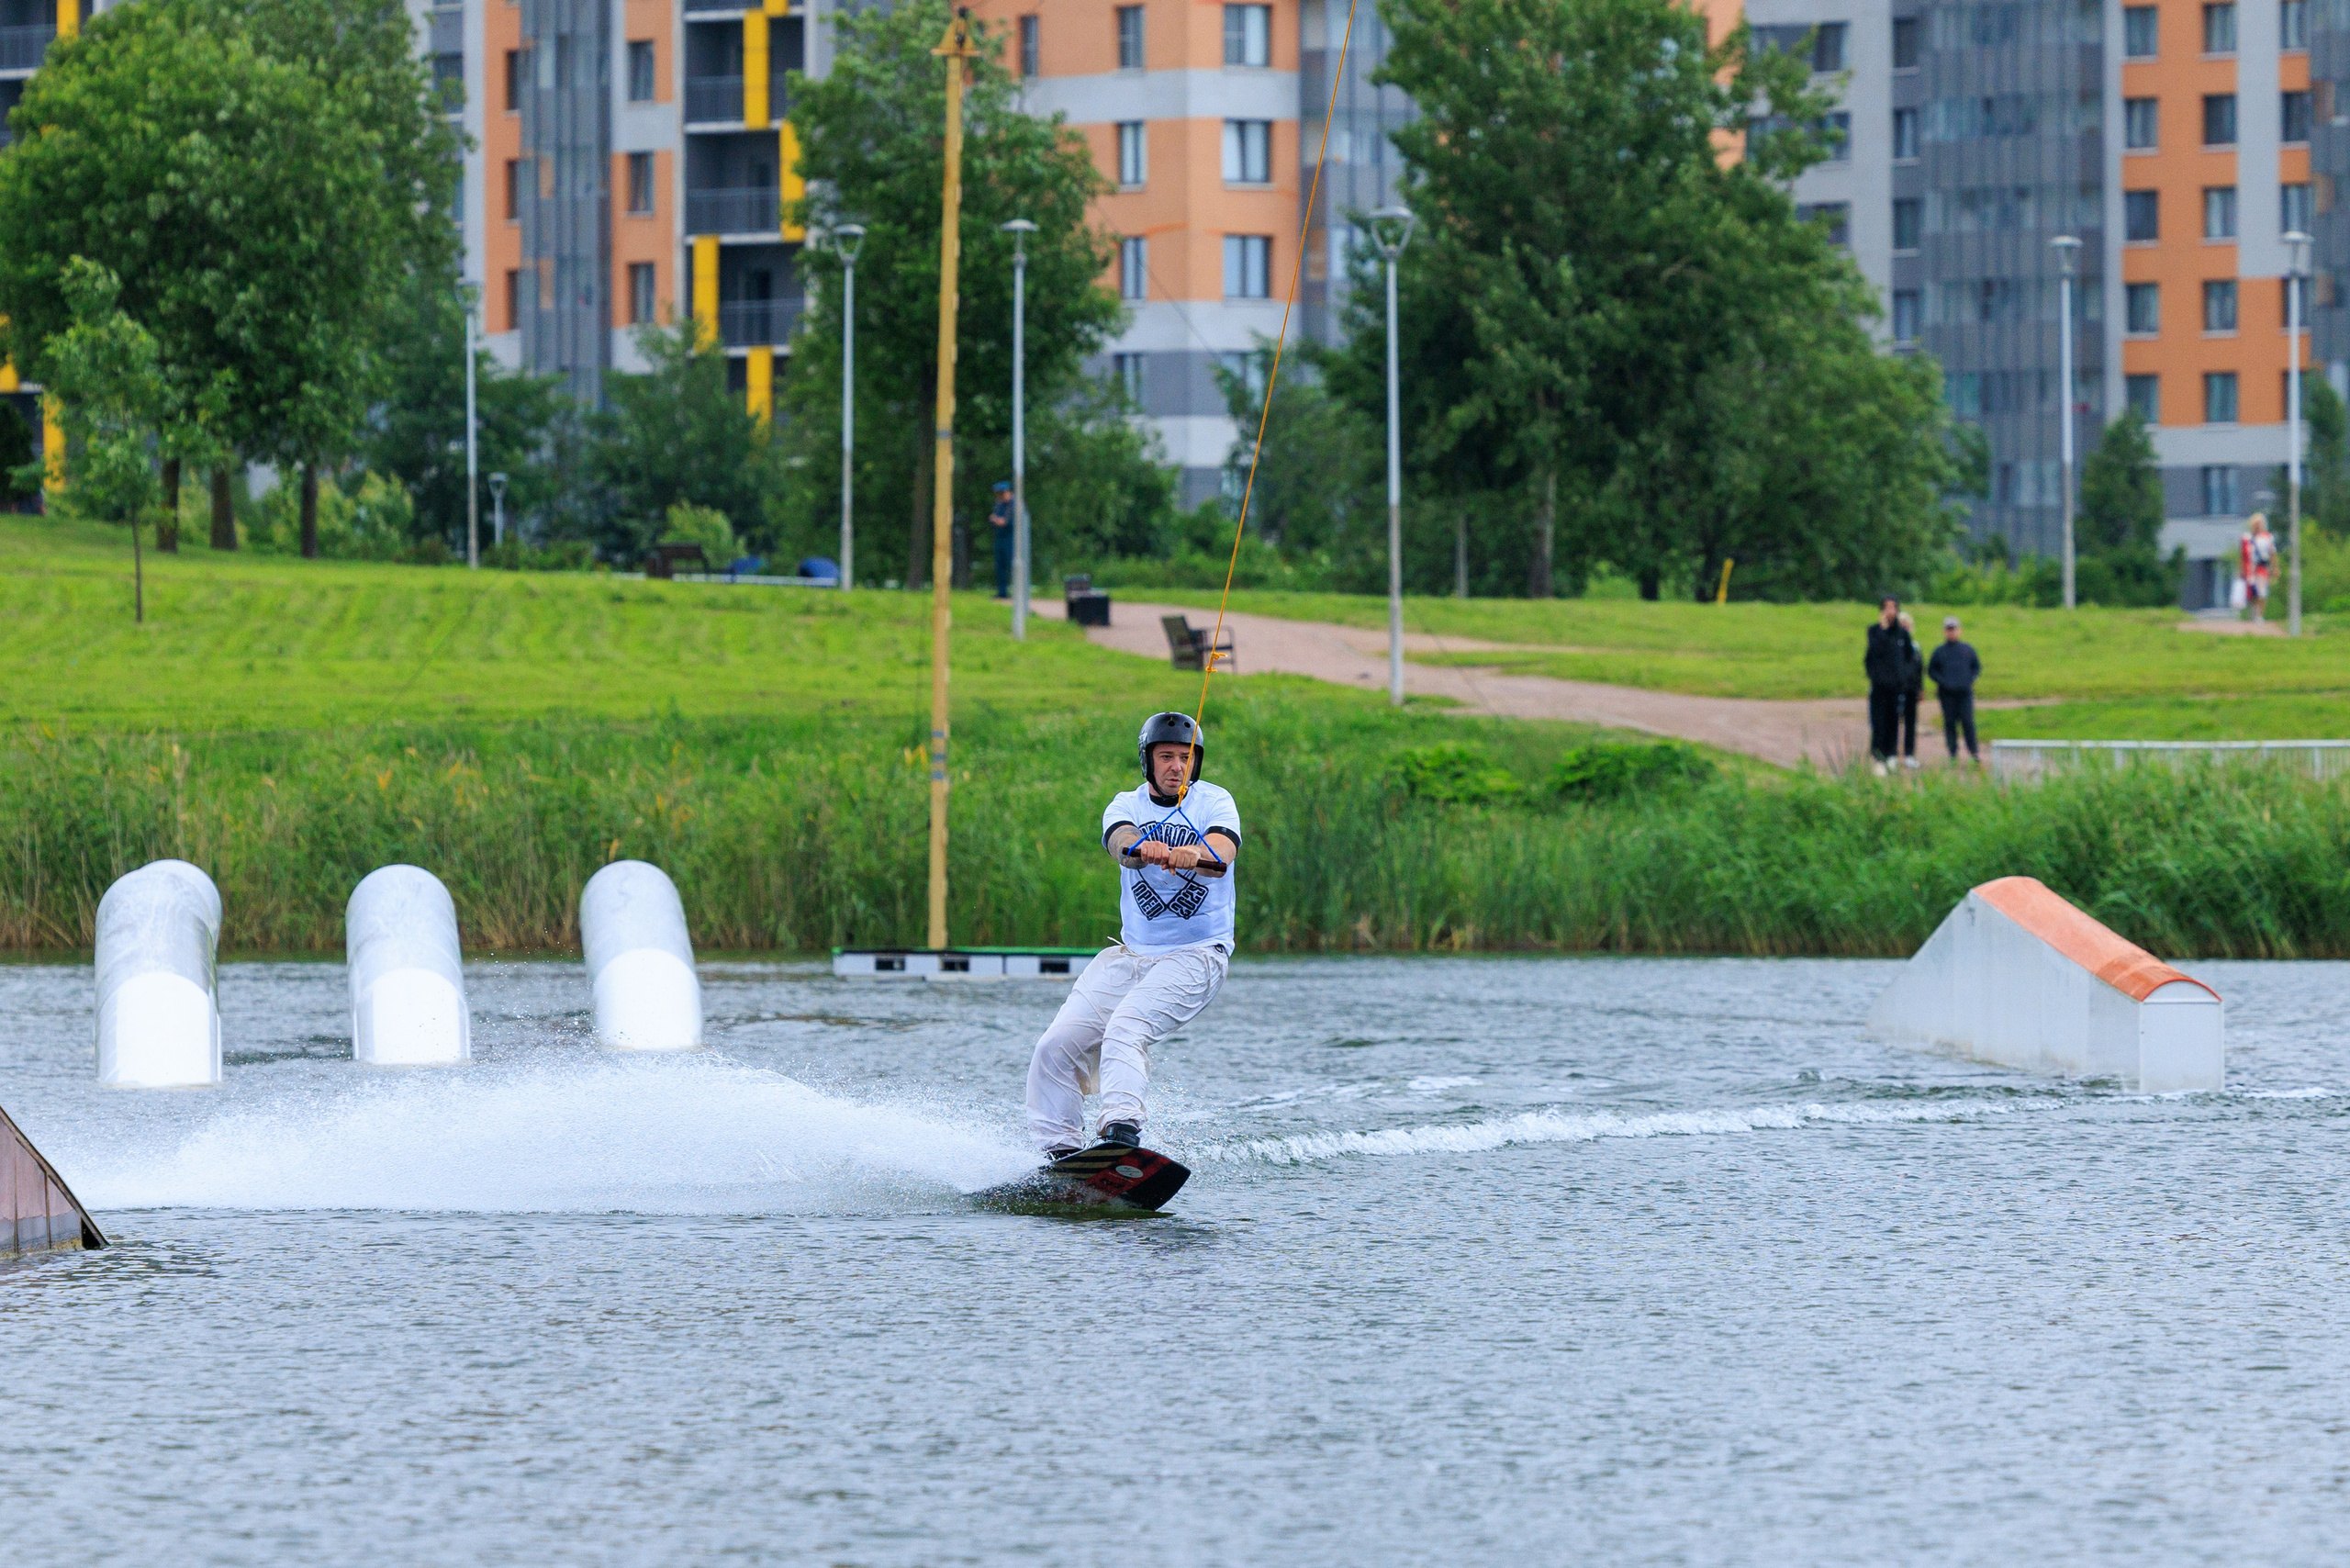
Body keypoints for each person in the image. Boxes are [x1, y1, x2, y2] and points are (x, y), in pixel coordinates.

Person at [1024, 712, 1241, 1159]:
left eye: (1185, 758)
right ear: (1147, 761)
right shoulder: (1125, 804)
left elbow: (1223, 851)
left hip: (1198, 955)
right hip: (1132, 957)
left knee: (1126, 1027)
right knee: (1055, 1045)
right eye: (1166, 757)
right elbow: (1121, 843)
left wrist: (1190, 855)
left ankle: (1121, 1130)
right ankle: (1059, 1154)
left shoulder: (1216, 801)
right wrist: (1141, 851)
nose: (1176, 767)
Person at [1863, 598, 1915, 778]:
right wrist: (1883, 630)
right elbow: (1874, 652)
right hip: (1879, 686)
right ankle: (1878, 757)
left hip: (1896, 686)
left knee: (1894, 721)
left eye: (1893, 608)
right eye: (1886, 608)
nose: (1890, 611)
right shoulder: (1874, 631)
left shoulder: (1902, 634)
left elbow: (1909, 657)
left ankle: (1891, 755)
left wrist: (1904, 676)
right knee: (1878, 722)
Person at [1926, 614, 1982, 764]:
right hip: (1947, 694)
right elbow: (1931, 671)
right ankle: (1952, 753)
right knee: (1950, 723)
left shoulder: (1967, 650)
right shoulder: (1939, 652)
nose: (1951, 632)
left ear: (1960, 631)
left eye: (1954, 629)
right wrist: (1943, 682)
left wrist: (1969, 680)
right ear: (1945, 632)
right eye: (1948, 629)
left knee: (1968, 722)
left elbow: (1976, 667)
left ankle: (1973, 752)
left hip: (1964, 693)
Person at [1897, 610, 1926, 769]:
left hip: (1911, 690)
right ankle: (1891, 755)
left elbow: (1920, 668)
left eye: (1907, 626)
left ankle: (1909, 755)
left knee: (1910, 724)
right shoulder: (1893, 645)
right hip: (1895, 689)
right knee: (1893, 723)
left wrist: (1920, 688)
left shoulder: (1915, 647)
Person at [2243, 512, 2277, 622]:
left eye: (2260, 523)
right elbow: (2243, 556)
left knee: (2262, 592)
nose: (2258, 526)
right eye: (2256, 524)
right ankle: (2253, 613)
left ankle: (2259, 615)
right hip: (2250, 569)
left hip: (2262, 568)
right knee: (2252, 593)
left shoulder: (2267, 537)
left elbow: (2272, 553)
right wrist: (2241, 570)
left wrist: (2275, 567)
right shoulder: (2247, 538)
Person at [989, 480, 1015, 600]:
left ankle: (1016, 591)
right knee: (1000, 566)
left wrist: (999, 521)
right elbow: (994, 519)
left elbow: (1007, 522)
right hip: (999, 538)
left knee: (1012, 565)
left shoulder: (1014, 504)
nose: (1000, 496)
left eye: (1002, 493)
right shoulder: (999, 504)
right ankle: (1002, 592)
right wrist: (998, 521)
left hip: (1010, 539)